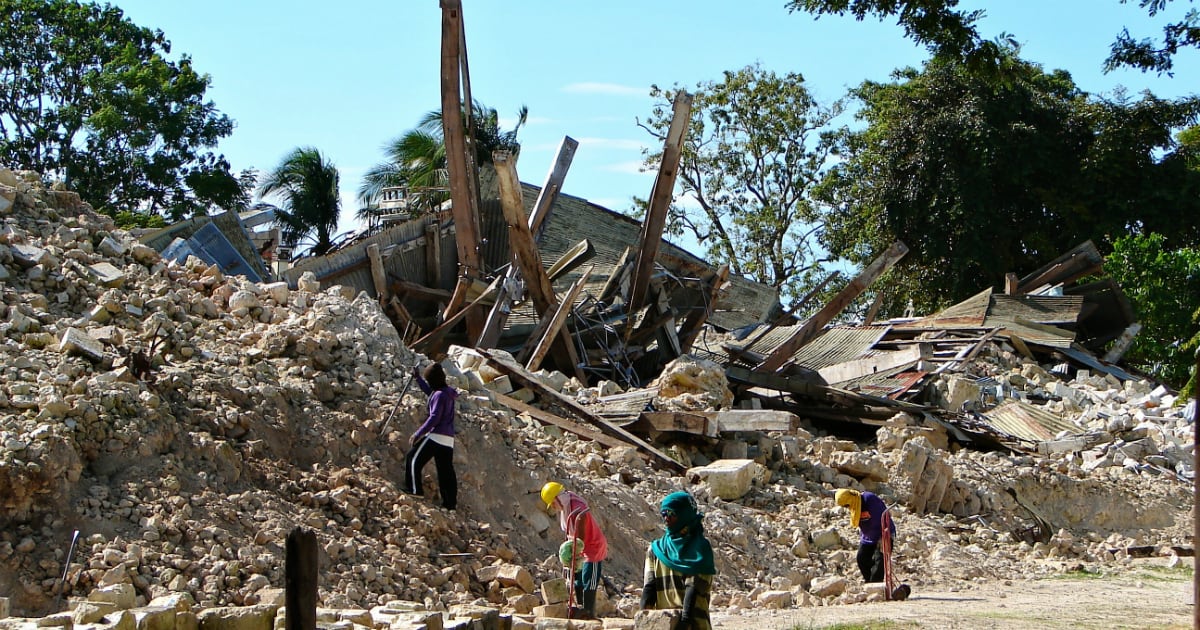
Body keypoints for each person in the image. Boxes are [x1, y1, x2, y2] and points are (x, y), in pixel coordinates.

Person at [641, 491, 716, 630]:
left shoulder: (700, 549)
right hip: (664, 624)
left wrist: (684, 623)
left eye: (671, 514)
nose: (666, 518)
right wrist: (643, 618)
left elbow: (693, 588)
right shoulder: (656, 550)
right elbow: (649, 587)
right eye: (664, 514)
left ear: (685, 515)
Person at [541, 481, 607, 619]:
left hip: (592, 546)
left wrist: (575, 549)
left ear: (558, 498)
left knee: (589, 579)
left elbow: (580, 534)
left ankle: (589, 612)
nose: (553, 507)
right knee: (577, 579)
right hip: (578, 547)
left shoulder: (577, 507)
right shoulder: (566, 507)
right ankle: (581, 607)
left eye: (553, 503)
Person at [835, 488, 909, 599]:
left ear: (850, 499)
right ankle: (871, 585)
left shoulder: (869, 499)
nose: (847, 508)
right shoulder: (854, 505)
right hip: (868, 538)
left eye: (846, 505)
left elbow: (883, 517)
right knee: (861, 559)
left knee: (879, 561)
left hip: (883, 535)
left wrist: (883, 538)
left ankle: (876, 590)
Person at [404, 363, 458, 510]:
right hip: (448, 439)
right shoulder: (446, 393)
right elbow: (430, 392)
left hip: (437, 435)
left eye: (428, 380)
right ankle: (450, 504)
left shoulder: (439, 395)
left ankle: (415, 490)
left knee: (413, 458)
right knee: (445, 472)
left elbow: (434, 417)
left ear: (433, 380)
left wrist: (418, 433)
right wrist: (418, 378)